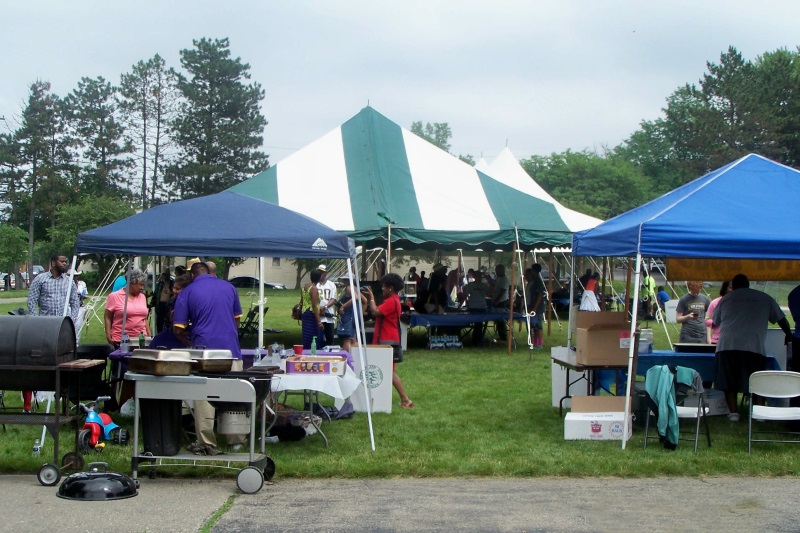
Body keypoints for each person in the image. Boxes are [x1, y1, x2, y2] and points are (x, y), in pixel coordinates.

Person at [173, 262, 245, 454]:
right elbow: (237, 319)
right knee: (234, 396)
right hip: (231, 351)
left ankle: (206, 441)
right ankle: (236, 439)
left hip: (204, 352)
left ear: (192, 275)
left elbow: (178, 327)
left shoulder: (187, 292)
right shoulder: (229, 287)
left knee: (204, 398)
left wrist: (184, 336)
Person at [713, 273, 792, 420]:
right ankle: (758, 412)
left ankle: (733, 413)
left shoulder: (725, 300)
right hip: (754, 346)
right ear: (748, 284)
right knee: (756, 382)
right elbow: (781, 319)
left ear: (733, 286)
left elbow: (715, 322)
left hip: (727, 345)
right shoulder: (764, 298)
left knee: (728, 381)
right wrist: (788, 334)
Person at [26, 254, 81, 412]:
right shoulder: (41, 279)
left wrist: (71, 321)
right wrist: (36, 321)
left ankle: (62, 393)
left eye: (66, 261)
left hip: (63, 328)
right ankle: (39, 393)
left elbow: (74, 302)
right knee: (44, 359)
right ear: (52, 262)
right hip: (44, 327)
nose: (65, 264)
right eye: (62, 261)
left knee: (63, 359)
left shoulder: (68, 281)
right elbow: (31, 301)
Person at [365, 273, 413, 409]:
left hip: (387, 340)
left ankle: (406, 399)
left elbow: (375, 312)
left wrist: (371, 298)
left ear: (390, 288)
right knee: (386, 370)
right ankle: (392, 398)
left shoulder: (392, 301)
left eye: (384, 287)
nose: (382, 289)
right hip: (387, 338)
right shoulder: (393, 300)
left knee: (388, 371)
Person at [105, 268, 151, 349]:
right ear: (131, 283)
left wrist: (149, 334)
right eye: (140, 285)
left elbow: (144, 318)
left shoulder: (142, 297)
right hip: (121, 339)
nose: (142, 288)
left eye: (143, 285)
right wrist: (108, 335)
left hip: (141, 339)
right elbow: (107, 317)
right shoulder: (114, 296)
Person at [149, 273, 192, 350]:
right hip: (170, 330)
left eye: (178, 289)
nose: (174, 291)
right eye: (174, 288)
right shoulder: (172, 300)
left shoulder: (190, 302)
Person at [337, 279, 367, 352]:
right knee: (354, 339)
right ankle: (355, 359)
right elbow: (365, 301)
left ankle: (347, 359)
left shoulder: (349, 287)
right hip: (355, 316)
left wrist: (343, 306)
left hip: (348, 316)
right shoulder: (355, 288)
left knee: (347, 339)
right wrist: (360, 313)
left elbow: (355, 297)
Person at [462, 270, 490, 347]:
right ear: (474, 277)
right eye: (478, 276)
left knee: (479, 325)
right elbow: (464, 294)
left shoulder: (484, 286)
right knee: (478, 325)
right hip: (473, 307)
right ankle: (477, 341)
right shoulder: (470, 285)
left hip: (481, 307)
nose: (479, 277)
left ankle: (476, 341)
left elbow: (491, 292)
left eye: (480, 276)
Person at [301, 269, 325, 349]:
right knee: (314, 336)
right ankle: (312, 353)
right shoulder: (314, 289)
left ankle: (306, 351)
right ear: (319, 278)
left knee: (306, 335)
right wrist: (319, 322)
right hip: (312, 314)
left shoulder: (305, 286)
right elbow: (314, 305)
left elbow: (302, 301)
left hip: (305, 312)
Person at [316, 264, 338, 347]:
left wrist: (325, 307)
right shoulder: (315, 284)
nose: (321, 273)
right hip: (318, 316)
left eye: (323, 272)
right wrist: (318, 308)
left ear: (326, 273)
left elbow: (333, 299)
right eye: (319, 271)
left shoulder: (331, 285)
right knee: (318, 338)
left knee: (330, 339)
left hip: (328, 316)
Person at [526, 264, 547, 349]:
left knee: (538, 326)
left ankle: (539, 344)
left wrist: (535, 307)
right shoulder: (534, 280)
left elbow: (540, 294)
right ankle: (535, 343)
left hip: (538, 307)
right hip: (533, 306)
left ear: (534, 271)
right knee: (534, 325)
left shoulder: (538, 281)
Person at [490, 264, 510, 341]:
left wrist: (497, 301)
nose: (496, 272)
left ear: (502, 270)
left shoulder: (505, 279)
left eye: (497, 270)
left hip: (502, 302)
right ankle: (500, 335)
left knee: (501, 320)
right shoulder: (499, 279)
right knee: (498, 320)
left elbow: (503, 291)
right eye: (496, 270)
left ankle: (503, 336)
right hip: (498, 301)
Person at [150, 268, 174, 333]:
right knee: (159, 322)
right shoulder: (159, 284)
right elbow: (155, 294)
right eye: (164, 274)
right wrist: (152, 304)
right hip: (160, 305)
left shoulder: (172, 283)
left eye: (166, 274)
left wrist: (170, 292)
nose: (165, 276)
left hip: (169, 305)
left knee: (168, 322)